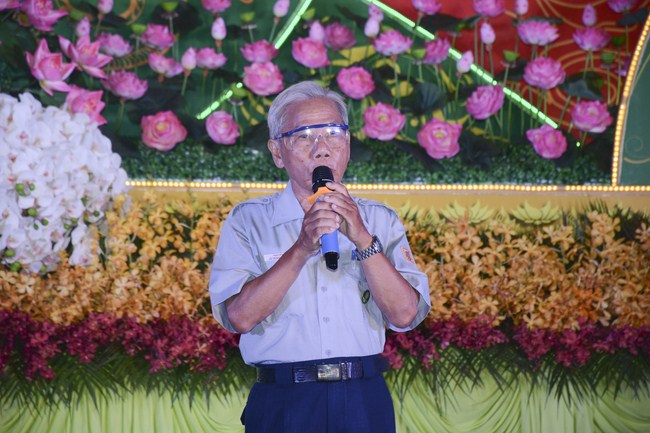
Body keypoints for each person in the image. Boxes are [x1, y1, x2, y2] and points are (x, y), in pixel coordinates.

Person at [208, 81, 431, 433]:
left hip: (362, 396)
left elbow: (405, 314)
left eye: (333, 134)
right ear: (277, 152)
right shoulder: (248, 220)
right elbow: (239, 318)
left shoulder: (379, 220)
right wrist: (301, 248)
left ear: (348, 145)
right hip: (285, 399)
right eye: (304, 137)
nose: (322, 149)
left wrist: (362, 237)